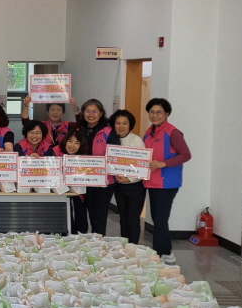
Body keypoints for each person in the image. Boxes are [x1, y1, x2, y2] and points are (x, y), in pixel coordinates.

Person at [143, 98, 192, 264]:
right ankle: (161, 252)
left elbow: (186, 155)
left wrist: (164, 163)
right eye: (151, 112)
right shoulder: (149, 132)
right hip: (152, 181)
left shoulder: (173, 132)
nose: (154, 115)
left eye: (159, 112)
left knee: (160, 218)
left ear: (167, 114)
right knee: (157, 218)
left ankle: (164, 253)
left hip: (167, 183)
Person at [77, 99, 119, 236]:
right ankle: (90, 241)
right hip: (85, 179)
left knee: (99, 216)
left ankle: (99, 242)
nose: (91, 114)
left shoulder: (109, 132)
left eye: (95, 111)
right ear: (83, 113)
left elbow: (115, 156)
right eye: (87, 111)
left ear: (101, 113)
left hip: (105, 181)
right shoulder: (79, 130)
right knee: (89, 212)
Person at [109, 109, 147, 245]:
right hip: (119, 187)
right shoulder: (112, 139)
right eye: (118, 123)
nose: (121, 126)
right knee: (123, 219)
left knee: (133, 219)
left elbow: (142, 165)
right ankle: (125, 247)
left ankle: (133, 248)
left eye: (125, 123)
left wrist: (129, 179)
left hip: (135, 187)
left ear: (130, 124)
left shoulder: (136, 140)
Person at [53, 128, 90, 234]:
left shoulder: (84, 157)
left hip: (78, 191)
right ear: (65, 141)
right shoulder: (56, 151)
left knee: (81, 217)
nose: (72, 145)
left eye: (77, 143)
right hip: (60, 192)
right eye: (70, 141)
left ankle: (80, 236)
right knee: (65, 217)